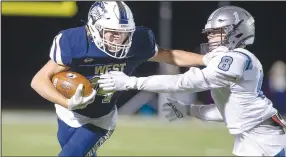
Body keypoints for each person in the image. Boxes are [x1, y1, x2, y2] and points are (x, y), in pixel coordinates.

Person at [30, 1, 215, 156]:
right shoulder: (75, 42)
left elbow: (170, 56)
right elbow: (39, 80)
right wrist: (67, 103)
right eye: (112, 31)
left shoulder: (138, 42)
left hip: (100, 118)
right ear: (94, 28)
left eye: (124, 32)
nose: (118, 38)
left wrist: (207, 59)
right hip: (68, 113)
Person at [98, 5, 286, 156]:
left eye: (216, 32)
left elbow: (187, 82)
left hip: (265, 142)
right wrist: (188, 110)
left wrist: (131, 82)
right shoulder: (241, 60)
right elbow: (225, 112)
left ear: (235, 32)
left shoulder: (237, 58)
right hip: (259, 137)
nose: (210, 38)